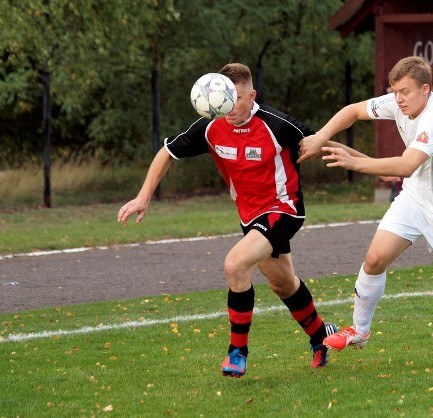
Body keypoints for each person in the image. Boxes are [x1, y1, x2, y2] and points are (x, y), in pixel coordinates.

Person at [117, 63, 337, 379]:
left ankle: (237, 353)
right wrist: (142, 197)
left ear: (252, 94)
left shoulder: (277, 125)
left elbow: (320, 141)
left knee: (235, 265)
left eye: (237, 98)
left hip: (283, 210)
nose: (231, 107)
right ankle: (320, 336)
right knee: (283, 284)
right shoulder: (211, 127)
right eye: (225, 99)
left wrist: (369, 164)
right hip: (250, 217)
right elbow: (167, 152)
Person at [298, 56, 433, 370]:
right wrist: (319, 137)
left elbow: (406, 165)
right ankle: (359, 330)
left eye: (405, 92)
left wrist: (357, 162)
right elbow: (353, 111)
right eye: (395, 90)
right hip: (416, 196)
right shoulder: (400, 101)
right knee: (374, 259)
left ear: (425, 90)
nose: (398, 98)